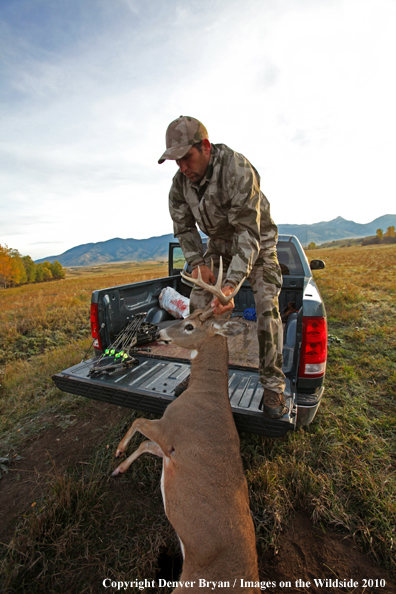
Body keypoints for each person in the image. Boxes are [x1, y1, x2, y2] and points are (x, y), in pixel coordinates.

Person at [158, 116, 286, 419]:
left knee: (267, 306)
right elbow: (185, 229)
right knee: (199, 306)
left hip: (258, 246)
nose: (183, 168)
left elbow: (248, 233)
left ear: (204, 147)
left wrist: (230, 286)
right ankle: (201, 374)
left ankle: (272, 385)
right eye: (176, 162)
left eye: (186, 158)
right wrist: (198, 263)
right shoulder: (180, 187)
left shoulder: (236, 170)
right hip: (218, 249)